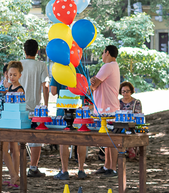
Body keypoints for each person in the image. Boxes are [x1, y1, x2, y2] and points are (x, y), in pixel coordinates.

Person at [49, 61, 91, 180]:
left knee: (64, 141)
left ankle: (64, 170)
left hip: (63, 110)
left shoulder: (59, 68)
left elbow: (53, 91)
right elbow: (88, 91)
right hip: (80, 111)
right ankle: (81, 169)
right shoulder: (83, 69)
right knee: (81, 140)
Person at [19, 40, 52, 178]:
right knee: (36, 138)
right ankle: (33, 167)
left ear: (24, 50)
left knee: (19, 137)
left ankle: (18, 167)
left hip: (19, 107)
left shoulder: (18, 64)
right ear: (37, 51)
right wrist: (46, 105)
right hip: (35, 108)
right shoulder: (41, 65)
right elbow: (45, 85)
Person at [89, 45, 121, 175]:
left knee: (111, 139)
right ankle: (107, 166)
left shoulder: (107, 66)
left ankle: (112, 167)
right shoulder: (114, 66)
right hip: (108, 107)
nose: (102, 56)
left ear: (107, 53)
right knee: (107, 140)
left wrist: (92, 83)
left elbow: (94, 84)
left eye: (103, 53)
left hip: (108, 108)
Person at [0, 60, 25, 187]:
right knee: (5, 150)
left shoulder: (19, 89)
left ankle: (14, 175)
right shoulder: (10, 87)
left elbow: (18, 106)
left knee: (12, 149)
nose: (12, 77)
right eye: (10, 74)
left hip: (14, 122)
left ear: (20, 75)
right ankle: (14, 175)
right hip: (7, 121)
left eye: (14, 75)